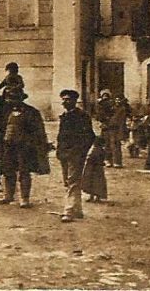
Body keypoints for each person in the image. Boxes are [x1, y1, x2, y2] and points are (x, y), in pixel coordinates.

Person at [0, 88, 50, 209]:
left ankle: (24, 198)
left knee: (24, 172)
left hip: (24, 147)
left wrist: (37, 145)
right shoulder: (5, 112)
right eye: (9, 98)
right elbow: (0, 128)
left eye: (15, 98)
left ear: (21, 99)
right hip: (9, 146)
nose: (11, 101)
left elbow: (39, 131)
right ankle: (8, 195)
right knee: (8, 170)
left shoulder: (31, 112)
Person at [56, 89, 95, 223]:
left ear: (74, 101)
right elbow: (61, 137)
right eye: (64, 99)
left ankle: (69, 210)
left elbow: (89, 136)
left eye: (68, 99)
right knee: (69, 181)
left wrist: (79, 151)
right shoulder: (64, 116)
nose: (65, 102)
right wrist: (59, 151)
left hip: (75, 154)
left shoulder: (82, 116)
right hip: (64, 154)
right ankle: (77, 209)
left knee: (72, 181)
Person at [95, 90, 128, 168]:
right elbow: (99, 116)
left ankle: (117, 161)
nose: (105, 98)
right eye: (103, 96)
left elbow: (120, 120)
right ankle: (107, 160)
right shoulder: (103, 107)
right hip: (106, 127)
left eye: (107, 96)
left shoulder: (119, 108)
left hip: (114, 128)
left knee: (115, 144)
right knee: (107, 144)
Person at [82, 135, 108, 202]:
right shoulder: (101, 150)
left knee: (92, 182)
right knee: (97, 183)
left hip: (92, 168)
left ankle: (93, 197)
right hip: (97, 169)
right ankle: (96, 197)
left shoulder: (94, 150)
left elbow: (91, 159)